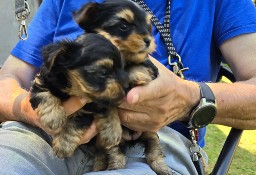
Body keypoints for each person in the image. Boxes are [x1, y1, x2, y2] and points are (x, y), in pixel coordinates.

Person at [0, 0, 256, 174]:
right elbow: (8, 78)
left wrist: (190, 98)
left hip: (152, 140)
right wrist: (30, 108)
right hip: (44, 132)